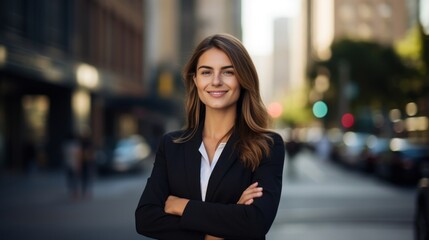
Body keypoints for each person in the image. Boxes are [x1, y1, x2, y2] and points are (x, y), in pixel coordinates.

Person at [135, 33, 285, 240]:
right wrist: (216, 231)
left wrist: (181, 205)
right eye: (206, 72)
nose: (216, 81)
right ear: (195, 80)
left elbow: (255, 222)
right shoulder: (171, 145)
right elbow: (146, 218)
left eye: (228, 72)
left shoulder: (267, 146)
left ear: (243, 79)